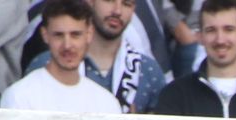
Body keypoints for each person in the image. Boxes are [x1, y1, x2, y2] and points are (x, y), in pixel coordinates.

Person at [26, 0, 168, 110]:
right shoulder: (46, 63)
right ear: (90, 1)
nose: (117, 11)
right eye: (109, 0)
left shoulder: (148, 70)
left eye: (126, 3)